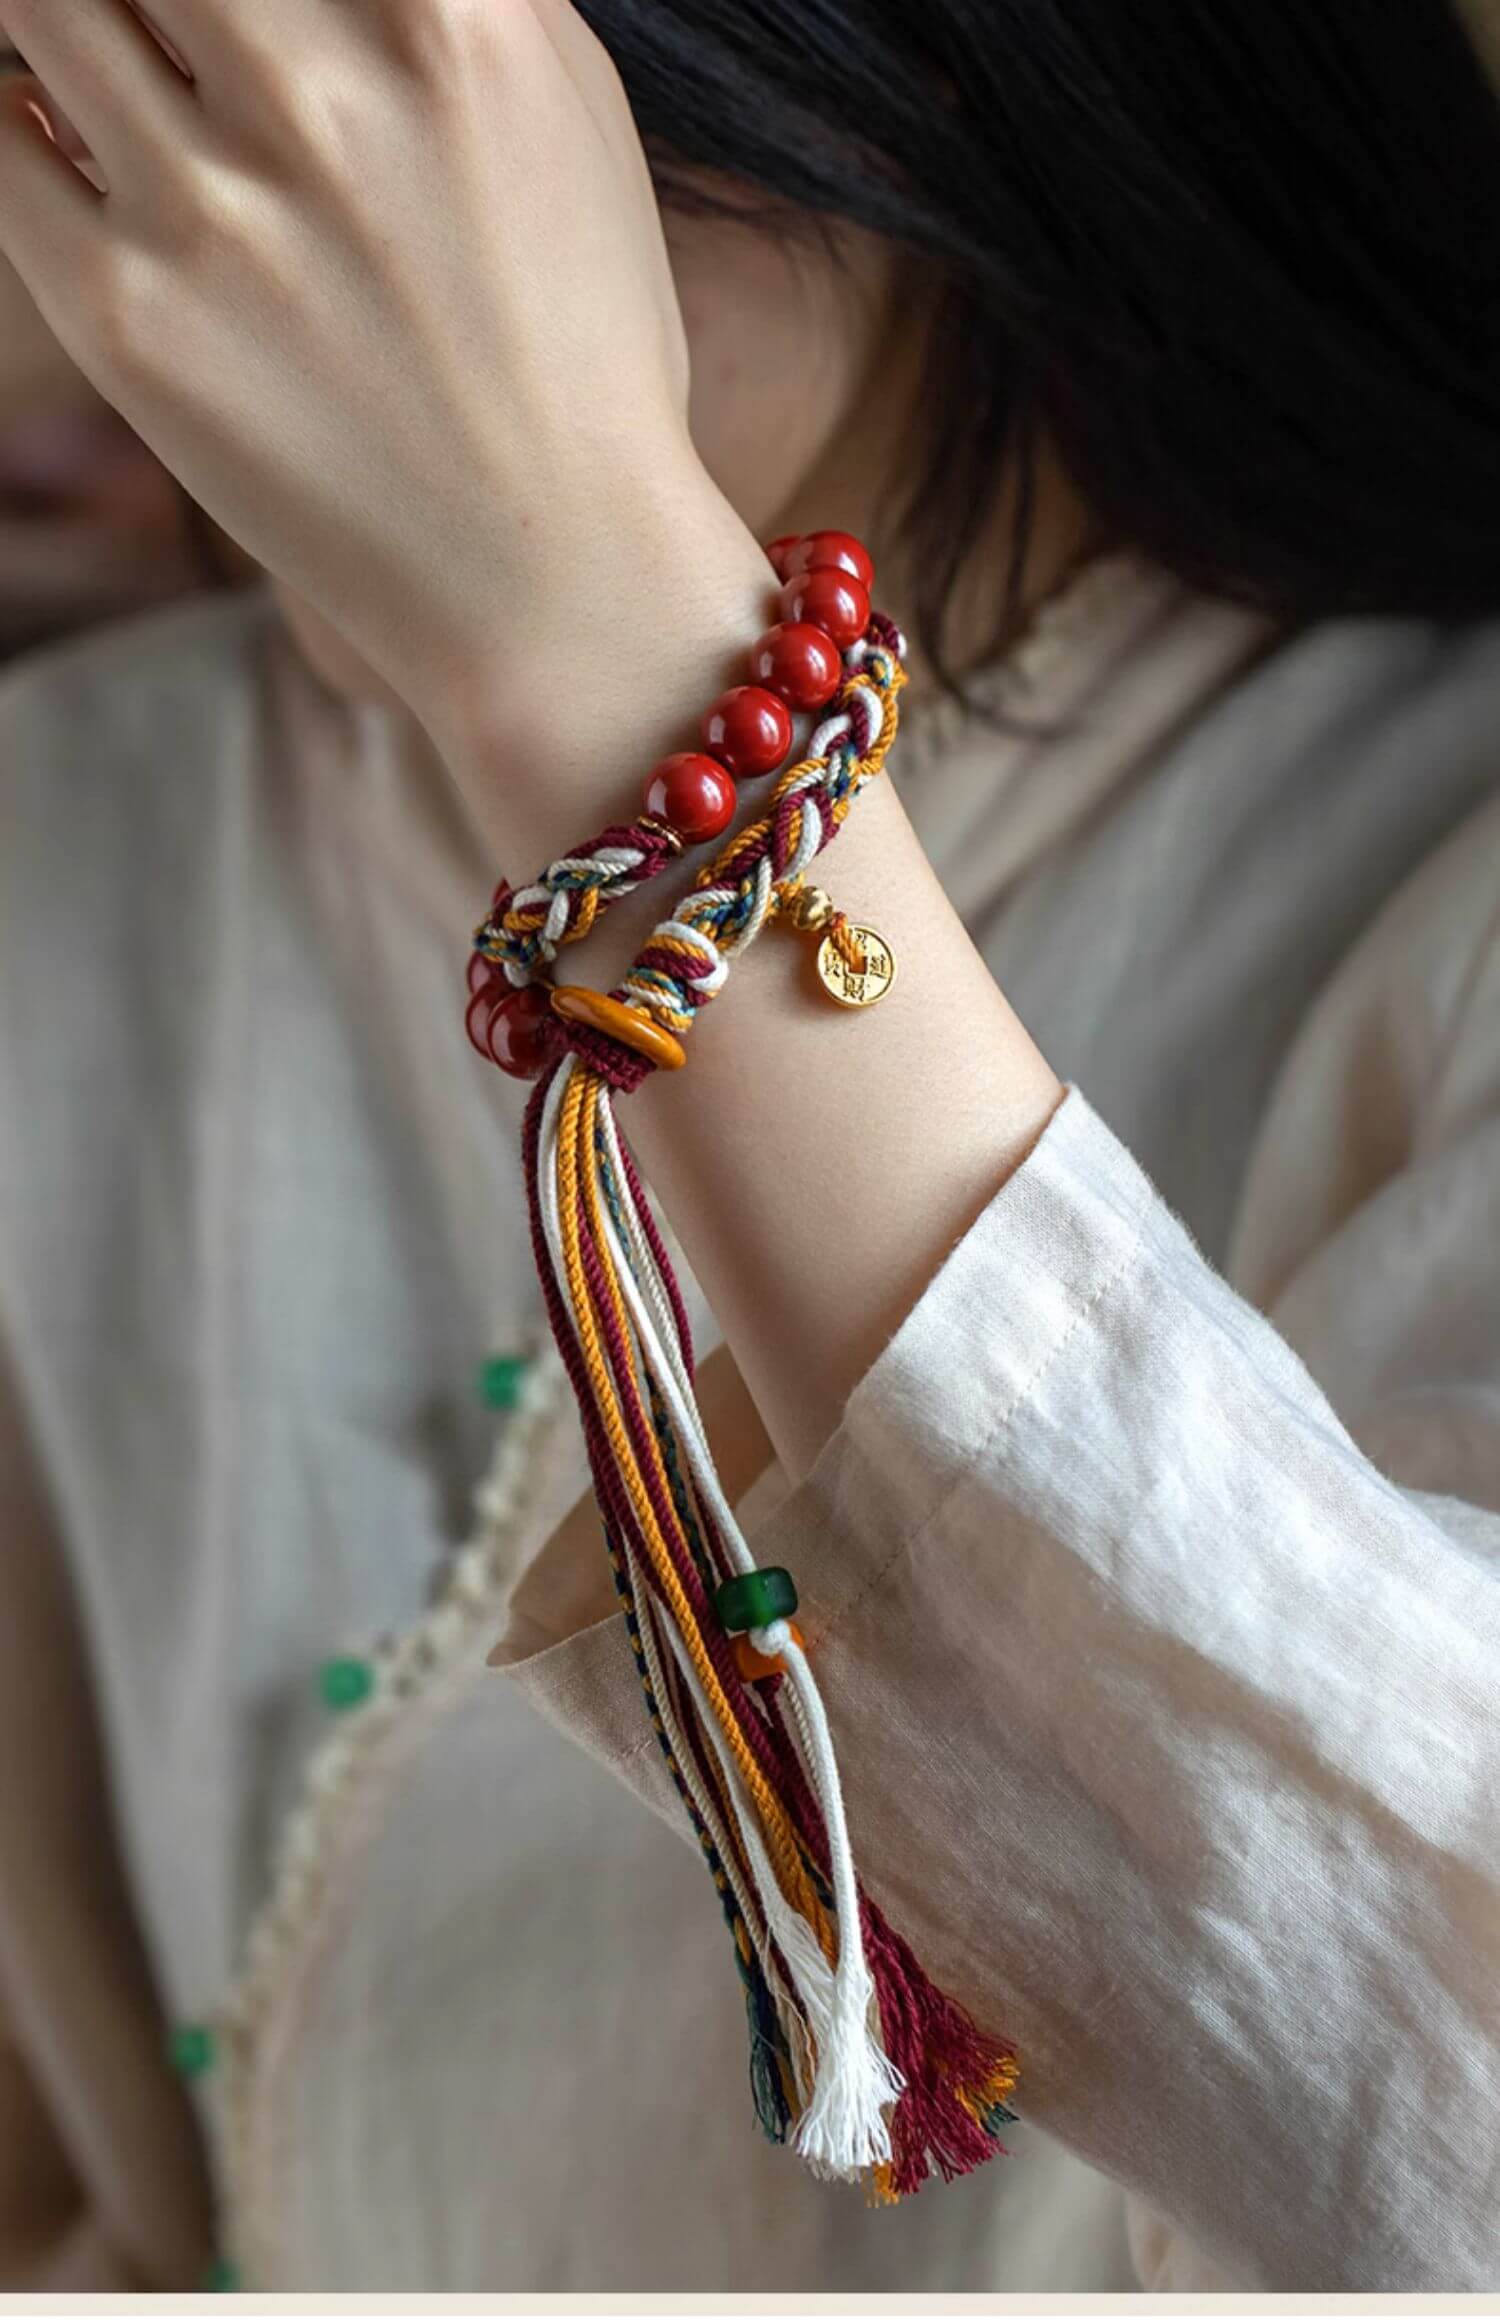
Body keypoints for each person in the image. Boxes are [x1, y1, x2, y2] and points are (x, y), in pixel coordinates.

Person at [0, 0, 1496, 2292]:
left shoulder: (1437, 863)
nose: (152, 282)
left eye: (260, 83)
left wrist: (608, 639)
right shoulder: (81, 838)